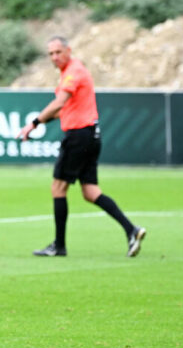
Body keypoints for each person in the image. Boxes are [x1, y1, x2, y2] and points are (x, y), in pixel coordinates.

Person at [18, 36, 146, 257]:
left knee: (58, 188)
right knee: (90, 191)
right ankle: (131, 230)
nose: (54, 57)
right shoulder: (72, 72)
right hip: (90, 135)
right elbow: (63, 110)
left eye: (58, 52)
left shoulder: (73, 72)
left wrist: (34, 123)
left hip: (79, 136)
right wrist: (39, 124)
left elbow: (59, 103)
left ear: (68, 50)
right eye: (50, 54)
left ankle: (59, 246)